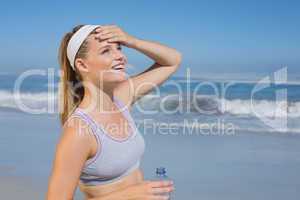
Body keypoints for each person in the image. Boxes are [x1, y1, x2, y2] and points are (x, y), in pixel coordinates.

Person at [46, 24, 182, 200]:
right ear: (82, 65)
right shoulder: (79, 131)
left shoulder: (121, 98)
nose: (121, 57)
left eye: (119, 48)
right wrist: (128, 195)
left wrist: (132, 40)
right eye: (106, 51)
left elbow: (173, 60)